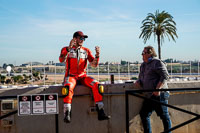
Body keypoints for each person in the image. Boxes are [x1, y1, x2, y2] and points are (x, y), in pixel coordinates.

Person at [59, 31, 110, 123]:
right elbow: (61, 59)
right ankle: (67, 113)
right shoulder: (66, 49)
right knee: (68, 87)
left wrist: (97, 55)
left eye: (84, 38)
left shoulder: (86, 51)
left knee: (97, 85)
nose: (83, 40)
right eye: (81, 38)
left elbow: (94, 65)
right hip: (71, 77)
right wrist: (68, 49)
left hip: (83, 77)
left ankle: (101, 112)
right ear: (75, 39)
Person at [134, 46, 172, 133]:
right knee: (144, 114)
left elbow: (165, 76)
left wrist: (157, 89)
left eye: (143, 53)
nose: (142, 55)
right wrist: (138, 82)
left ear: (149, 53)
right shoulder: (143, 65)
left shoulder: (157, 62)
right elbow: (141, 77)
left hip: (159, 94)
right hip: (149, 95)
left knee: (164, 116)